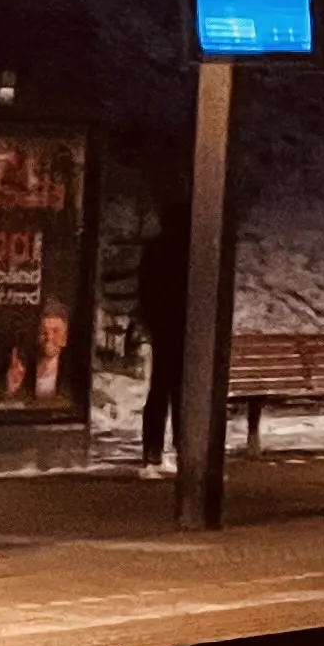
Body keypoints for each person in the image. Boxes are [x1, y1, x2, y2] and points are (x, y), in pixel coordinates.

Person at [135, 200, 188, 473]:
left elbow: (144, 287)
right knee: (182, 392)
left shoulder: (155, 248)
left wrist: (149, 319)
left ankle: (152, 452)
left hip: (162, 325)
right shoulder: (188, 249)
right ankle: (184, 449)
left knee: (160, 389)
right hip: (182, 325)